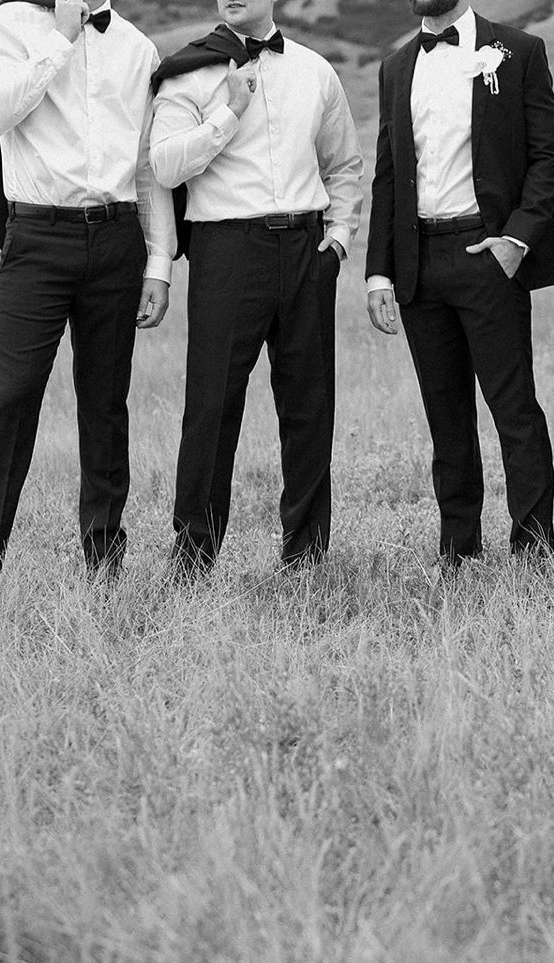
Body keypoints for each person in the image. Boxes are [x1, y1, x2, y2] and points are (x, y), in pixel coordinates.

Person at [0, 0, 175, 591]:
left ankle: (104, 567)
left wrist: (158, 261)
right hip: (35, 238)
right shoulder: (9, 24)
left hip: (116, 240)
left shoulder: (137, 48)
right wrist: (58, 39)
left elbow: (145, 167)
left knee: (106, 405)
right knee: (12, 398)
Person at [150, 0, 363, 574]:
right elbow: (164, 166)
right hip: (226, 252)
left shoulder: (316, 71)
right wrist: (226, 114)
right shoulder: (191, 73)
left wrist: (339, 236)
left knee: (310, 406)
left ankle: (307, 556)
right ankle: (194, 556)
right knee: (212, 406)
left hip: (306, 250)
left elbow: (343, 163)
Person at [365, 0, 554, 569]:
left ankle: (533, 550)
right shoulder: (395, 67)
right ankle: (459, 551)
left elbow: (548, 160)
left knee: (514, 410)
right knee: (446, 416)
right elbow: (388, 173)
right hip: (418, 265)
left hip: (487, 256)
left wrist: (515, 240)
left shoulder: (518, 51)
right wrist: (379, 270)